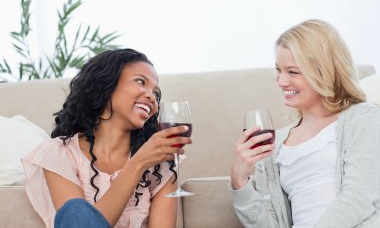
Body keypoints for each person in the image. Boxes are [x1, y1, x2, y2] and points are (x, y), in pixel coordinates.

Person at [229, 19, 380, 227]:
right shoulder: (275, 145)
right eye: (278, 70)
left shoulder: (363, 119)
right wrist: (240, 181)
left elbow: (358, 199)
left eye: (292, 72)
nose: (281, 81)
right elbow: (270, 224)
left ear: (323, 71)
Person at [22, 48, 192, 228]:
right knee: (75, 210)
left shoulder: (160, 167)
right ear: (106, 85)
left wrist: (145, 161)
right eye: (141, 82)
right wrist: (139, 162)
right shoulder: (58, 154)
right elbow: (80, 224)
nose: (151, 96)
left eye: (155, 93)